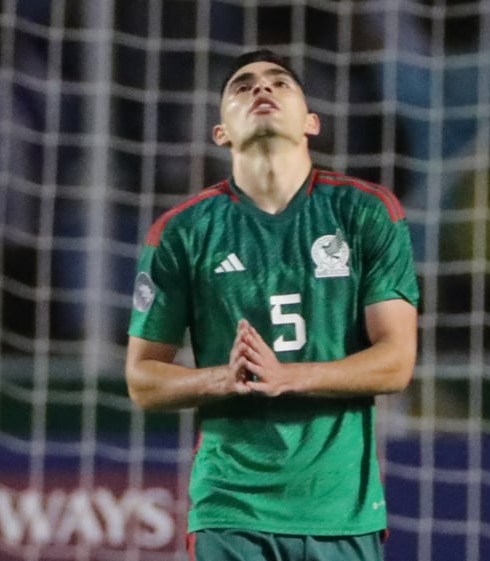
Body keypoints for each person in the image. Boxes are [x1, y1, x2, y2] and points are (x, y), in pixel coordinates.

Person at [125, 49, 420, 561]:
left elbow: (396, 363)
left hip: (340, 510)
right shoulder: (183, 231)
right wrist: (224, 378)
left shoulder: (366, 212)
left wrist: (288, 376)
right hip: (230, 508)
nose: (261, 89)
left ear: (311, 122)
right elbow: (143, 379)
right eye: (242, 86)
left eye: (279, 83)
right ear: (222, 132)